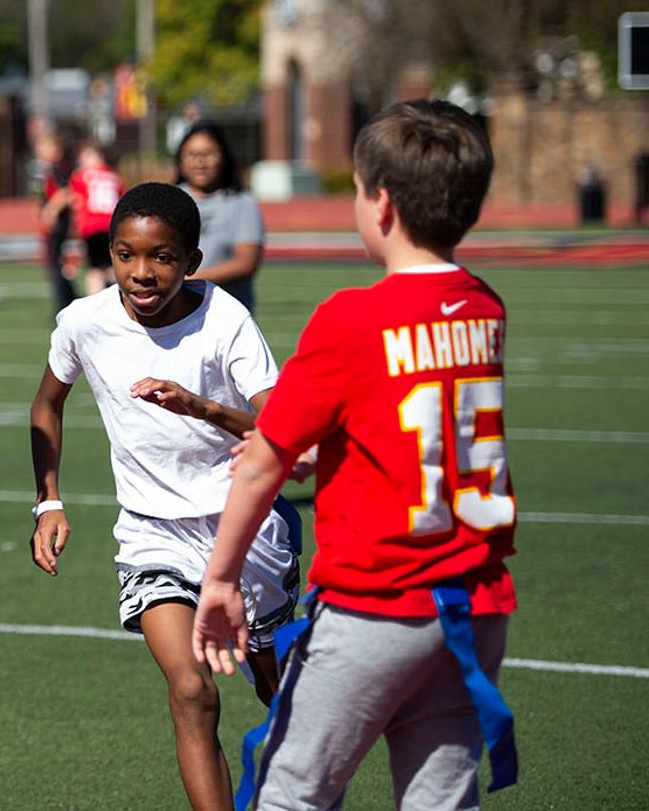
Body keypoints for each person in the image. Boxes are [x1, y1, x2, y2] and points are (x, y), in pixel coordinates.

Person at [194, 100, 517, 811]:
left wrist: (220, 580)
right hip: (476, 601)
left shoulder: (351, 315)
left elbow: (261, 462)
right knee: (439, 798)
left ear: (382, 204)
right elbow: (411, 418)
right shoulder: (485, 307)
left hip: (379, 602)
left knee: (292, 792)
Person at [28, 182, 302, 811]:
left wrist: (201, 406)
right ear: (109, 253)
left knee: (276, 687)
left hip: (244, 526)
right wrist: (49, 500)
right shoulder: (83, 321)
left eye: (163, 258)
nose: (142, 274)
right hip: (152, 532)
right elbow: (47, 404)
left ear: (192, 262)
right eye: (126, 256)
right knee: (191, 690)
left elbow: (283, 431)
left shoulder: (225, 317)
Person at [176, 124, 265, 314]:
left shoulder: (243, 202)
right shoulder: (169, 200)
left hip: (225, 313)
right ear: (180, 160)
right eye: (192, 154)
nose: (200, 162)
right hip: (178, 312)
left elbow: (246, 263)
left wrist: (186, 281)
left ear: (224, 157)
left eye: (208, 154)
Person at [68, 142, 124, 297]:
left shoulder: (81, 176)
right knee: (112, 266)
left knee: (95, 270)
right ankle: (119, 299)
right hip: (113, 225)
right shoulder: (113, 175)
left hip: (93, 226)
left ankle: (95, 304)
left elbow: (76, 200)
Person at [34, 133, 78, 315]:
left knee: (56, 264)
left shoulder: (61, 168)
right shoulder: (49, 169)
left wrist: (51, 210)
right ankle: (68, 302)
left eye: (44, 148)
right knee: (53, 264)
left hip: (60, 223)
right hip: (54, 224)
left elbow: (67, 191)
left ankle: (65, 305)